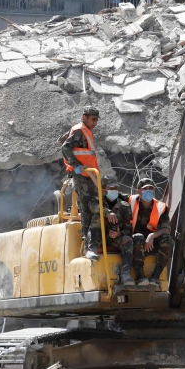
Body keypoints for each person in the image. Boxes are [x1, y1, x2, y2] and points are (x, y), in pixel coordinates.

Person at [61, 105, 102, 260]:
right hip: (81, 176)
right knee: (86, 209)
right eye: (93, 119)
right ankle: (88, 245)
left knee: (92, 207)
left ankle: (93, 243)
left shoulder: (85, 132)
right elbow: (65, 148)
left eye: (97, 119)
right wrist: (76, 166)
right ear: (84, 117)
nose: (95, 122)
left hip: (88, 175)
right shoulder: (80, 131)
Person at [127, 178, 172, 287]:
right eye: (145, 188)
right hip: (135, 241)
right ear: (139, 191)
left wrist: (153, 235)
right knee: (138, 237)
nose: (148, 191)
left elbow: (167, 229)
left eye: (151, 188)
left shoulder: (160, 207)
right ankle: (140, 275)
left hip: (151, 242)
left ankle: (155, 276)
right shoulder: (131, 201)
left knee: (168, 239)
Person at [101, 174, 134, 285]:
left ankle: (125, 274)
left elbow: (128, 228)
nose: (114, 191)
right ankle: (92, 248)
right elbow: (93, 208)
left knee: (128, 240)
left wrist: (119, 234)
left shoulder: (124, 206)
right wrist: (107, 212)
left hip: (114, 238)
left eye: (116, 188)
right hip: (99, 237)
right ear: (104, 189)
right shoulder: (97, 202)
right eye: (111, 188)